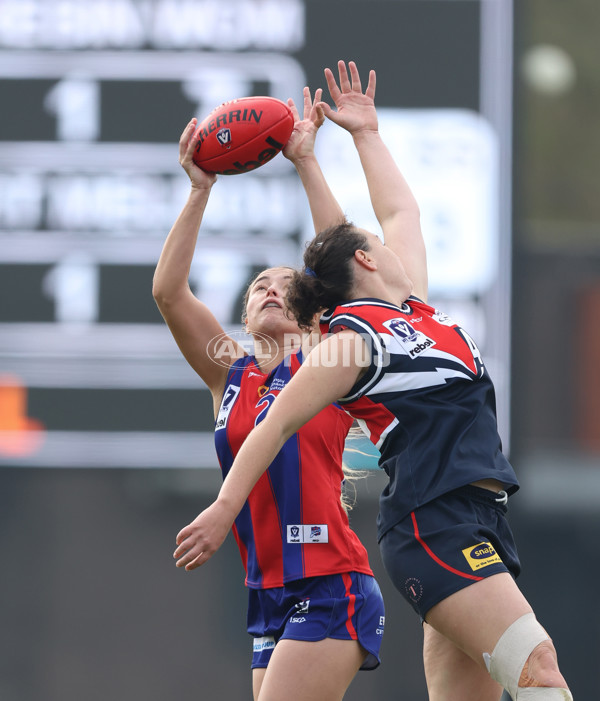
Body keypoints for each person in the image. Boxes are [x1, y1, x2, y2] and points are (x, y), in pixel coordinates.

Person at [173, 61, 574, 701]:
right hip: (432, 521)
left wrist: (360, 136)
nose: (390, 237)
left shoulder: (413, 307)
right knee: (539, 671)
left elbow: (400, 208)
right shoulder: (349, 346)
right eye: (372, 239)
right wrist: (224, 509)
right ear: (366, 257)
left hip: (478, 518)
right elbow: (274, 423)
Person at [154, 86, 385, 701]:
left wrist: (307, 160)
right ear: (244, 313)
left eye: (287, 283)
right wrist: (201, 190)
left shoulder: (329, 358)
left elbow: (345, 254)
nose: (270, 289)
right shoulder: (229, 372)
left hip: (331, 580)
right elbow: (170, 293)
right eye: (258, 284)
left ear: (313, 308)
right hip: (268, 592)